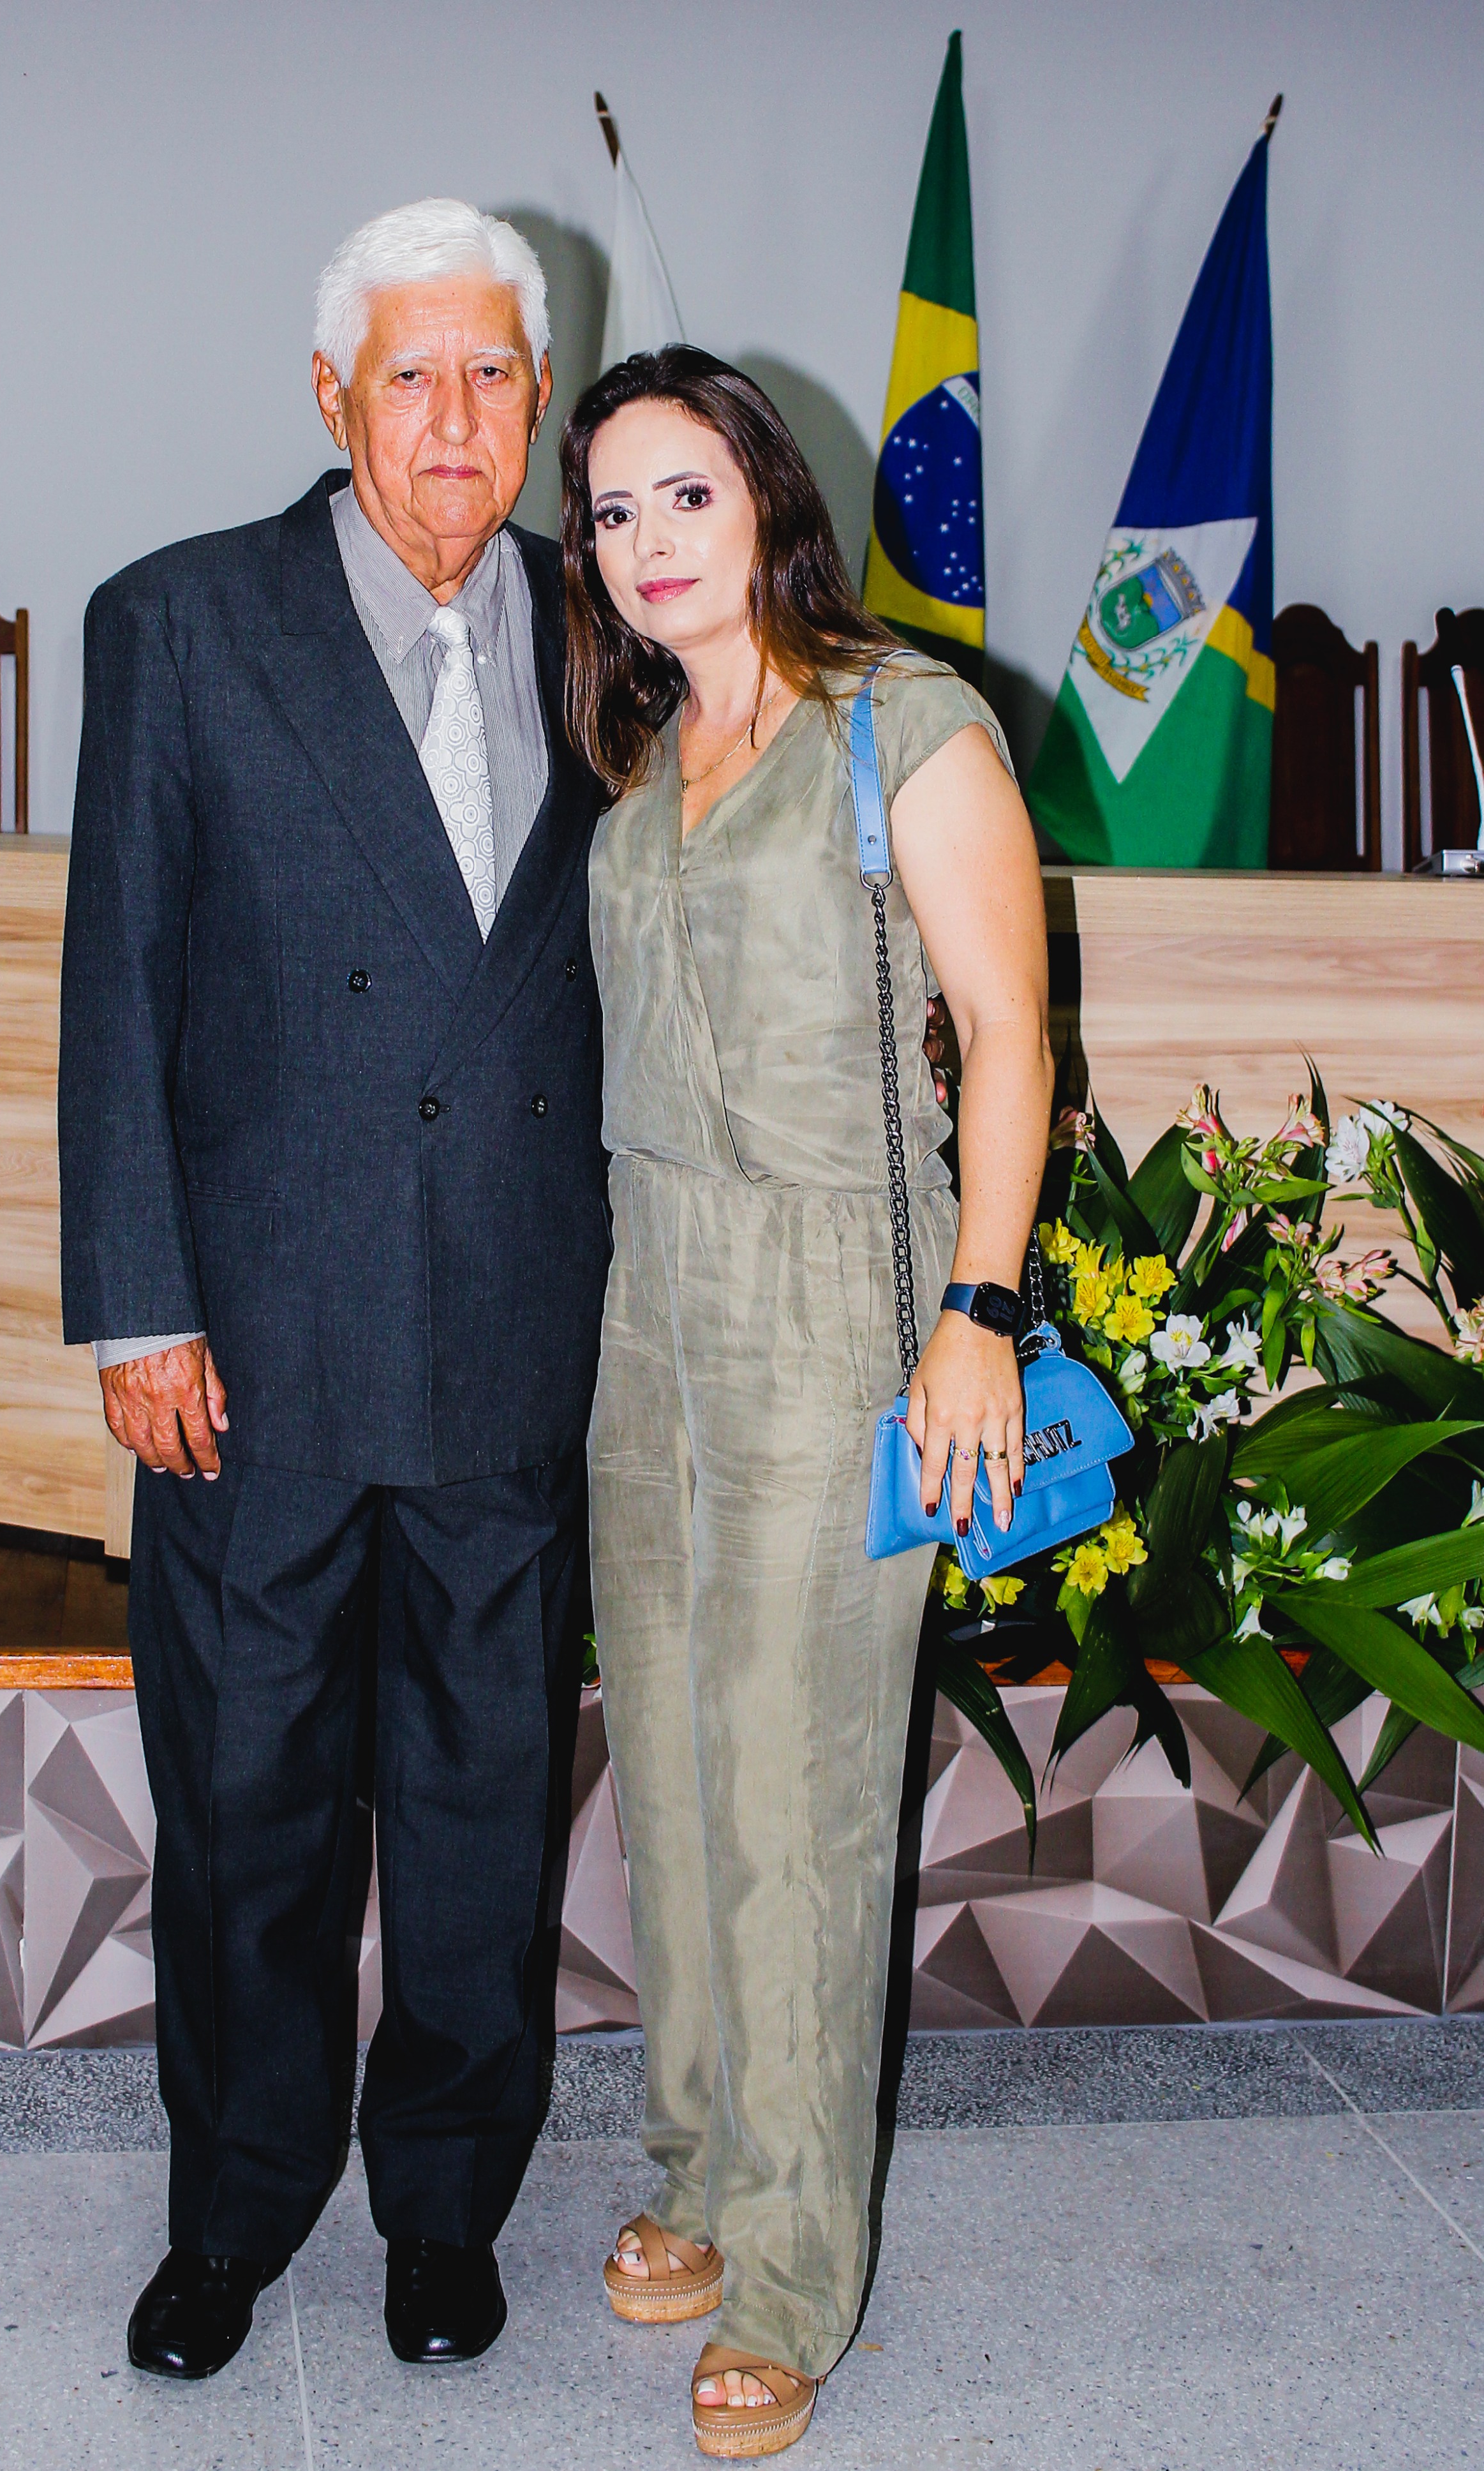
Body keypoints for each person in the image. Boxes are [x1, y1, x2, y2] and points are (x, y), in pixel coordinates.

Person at [57, 199, 611, 2383]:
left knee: (483, 1808)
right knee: (249, 1809)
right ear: (330, 394)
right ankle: (233, 2209)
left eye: (492, 374)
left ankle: (446, 2205)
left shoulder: (613, 630)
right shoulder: (182, 622)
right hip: (255, 1345)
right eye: (410, 374)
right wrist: (138, 1307)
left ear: (540, 396)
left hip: (515, 1329)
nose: (454, 418)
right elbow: (119, 984)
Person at [562, 348, 1053, 2458]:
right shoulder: (647, 756)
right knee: (676, 1777)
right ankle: (700, 2166)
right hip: (647, 1312)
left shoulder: (901, 722)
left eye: (684, 493)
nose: (648, 543)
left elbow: (1009, 1034)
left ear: (765, 493)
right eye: (612, 513)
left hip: (837, 1302)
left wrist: (977, 1313)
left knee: (805, 1791)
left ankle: (789, 2269)